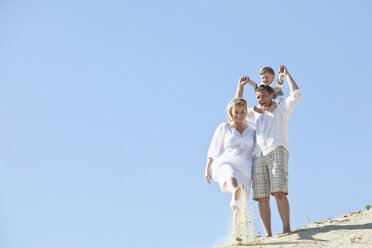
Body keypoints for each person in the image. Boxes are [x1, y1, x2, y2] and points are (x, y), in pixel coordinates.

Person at [236, 65, 302, 236]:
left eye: (264, 95)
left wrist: (287, 75)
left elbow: (296, 94)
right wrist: (241, 87)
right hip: (258, 154)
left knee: (278, 192)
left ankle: (286, 230)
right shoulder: (256, 113)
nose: (261, 99)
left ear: (272, 94)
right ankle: (268, 235)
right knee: (262, 197)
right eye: (258, 97)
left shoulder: (281, 107)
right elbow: (238, 111)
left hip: (277, 149)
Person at [205, 98, 256, 240]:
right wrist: (207, 167)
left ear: (246, 112)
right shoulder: (224, 127)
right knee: (230, 174)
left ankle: (239, 235)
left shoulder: (252, 130)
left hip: (246, 166)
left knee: (241, 204)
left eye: (242, 112)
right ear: (231, 112)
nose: (239, 115)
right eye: (236, 112)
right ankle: (234, 190)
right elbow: (214, 148)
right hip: (226, 160)